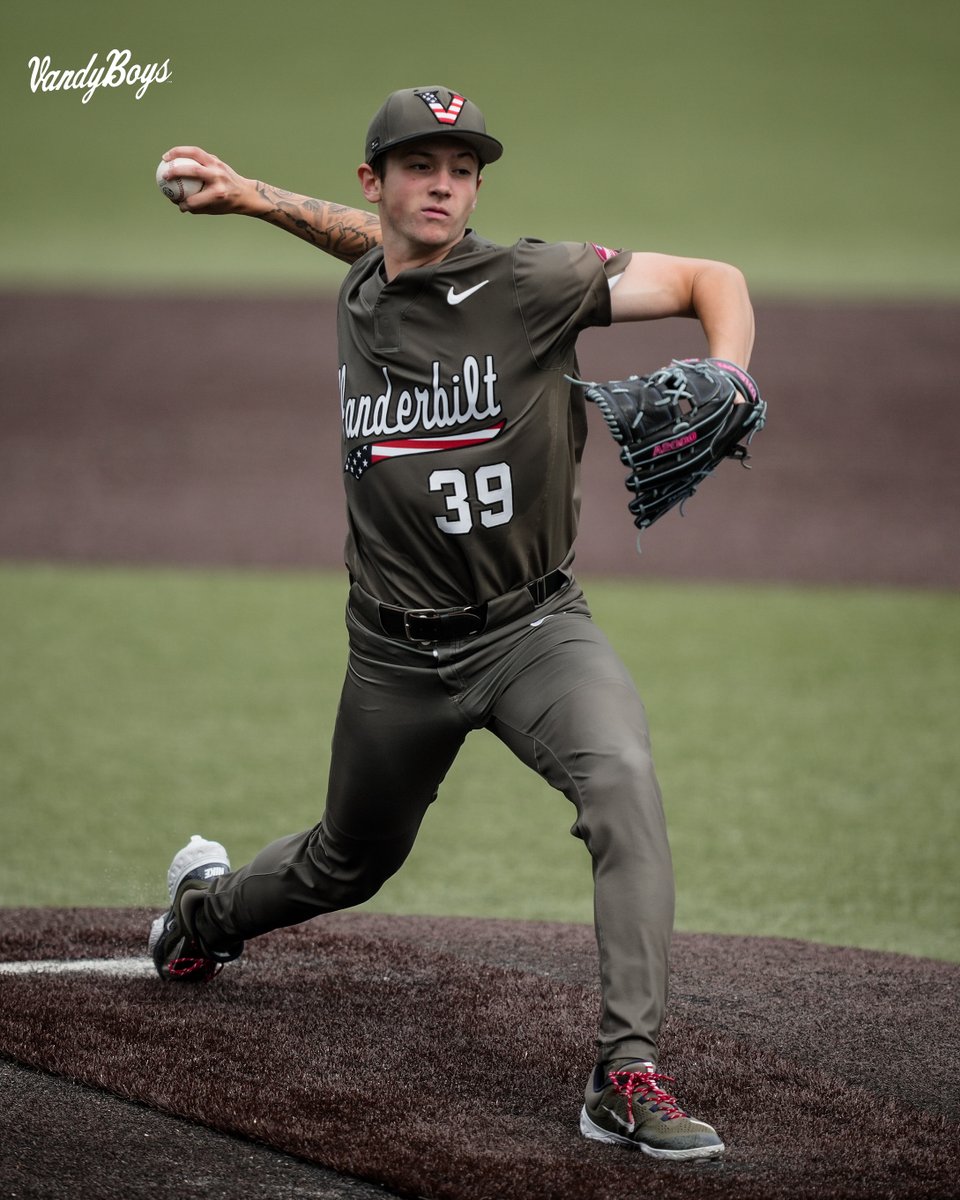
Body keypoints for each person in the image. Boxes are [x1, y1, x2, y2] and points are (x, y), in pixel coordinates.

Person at [149, 85, 755, 1161]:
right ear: (374, 182)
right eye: (421, 166)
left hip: (533, 634)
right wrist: (250, 198)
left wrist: (729, 369)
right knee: (347, 863)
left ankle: (625, 1074)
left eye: (463, 170)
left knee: (621, 785)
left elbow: (716, 279)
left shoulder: (531, 282)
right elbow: (373, 245)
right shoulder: (366, 283)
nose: (444, 185)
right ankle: (201, 915)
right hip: (392, 653)